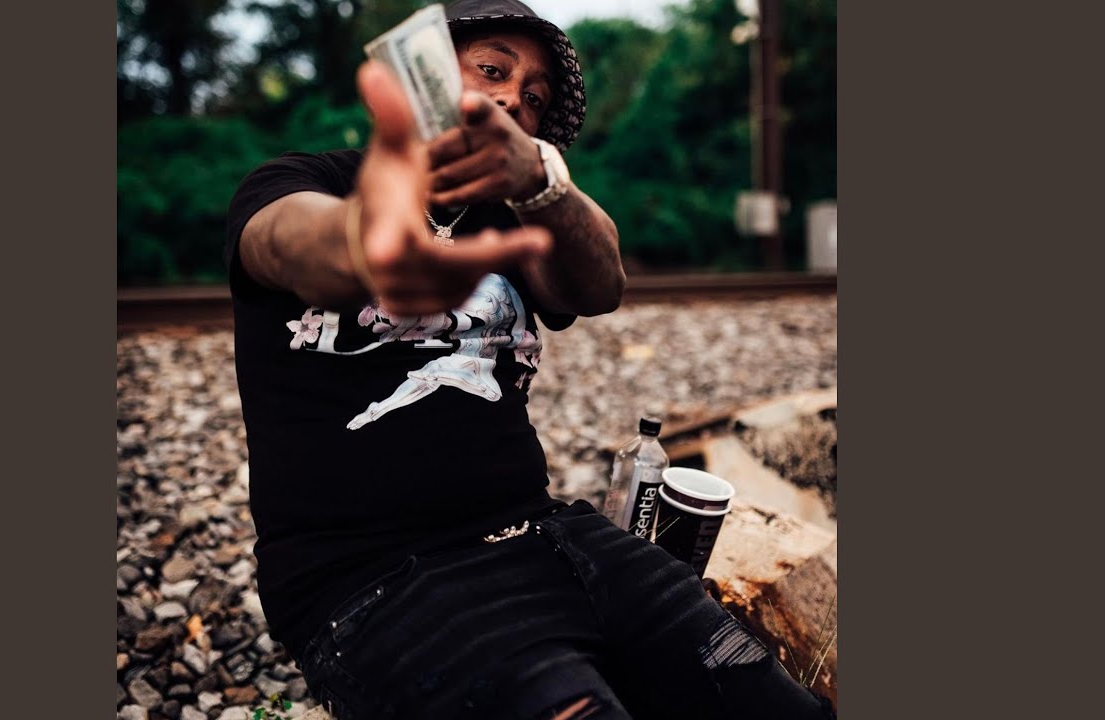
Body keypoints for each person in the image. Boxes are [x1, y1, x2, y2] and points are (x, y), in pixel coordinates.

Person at [225, 2, 834, 717]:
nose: (515, 98)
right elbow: (288, 242)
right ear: (421, 71)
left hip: (555, 539)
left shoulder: (514, 221)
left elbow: (600, 283)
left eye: (535, 98)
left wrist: (541, 183)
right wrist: (367, 240)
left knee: (763, 695)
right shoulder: (303, 181)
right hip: (377, 582)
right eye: (493, 69)